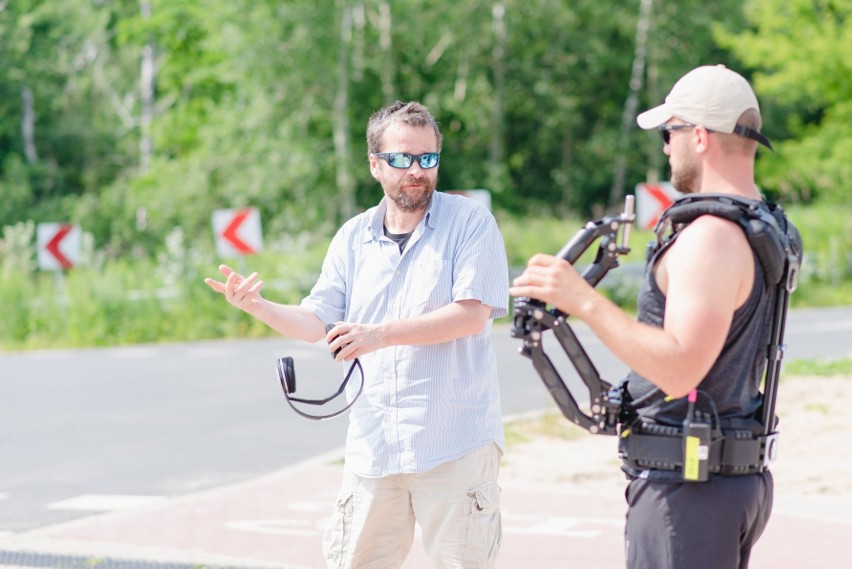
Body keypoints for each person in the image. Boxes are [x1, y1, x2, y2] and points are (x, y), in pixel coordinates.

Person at [205, 101, 509, 568]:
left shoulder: (470, 223)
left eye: (428, 158)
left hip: (454, 443)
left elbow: (470, 315)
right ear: (374, 164)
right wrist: (259, 307)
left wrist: (378, 334)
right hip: (375, 446)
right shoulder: (352, 237)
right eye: (403, 158)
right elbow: (317, 321)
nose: (417, 171)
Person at [509, 65, 780, 568]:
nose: (664, 148)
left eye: (669, 132)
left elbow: (681, 369)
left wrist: (583, 301)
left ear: (698, 136)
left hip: (689, 492)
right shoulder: (765, 224)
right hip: (722, 483)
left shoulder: (711, 236)